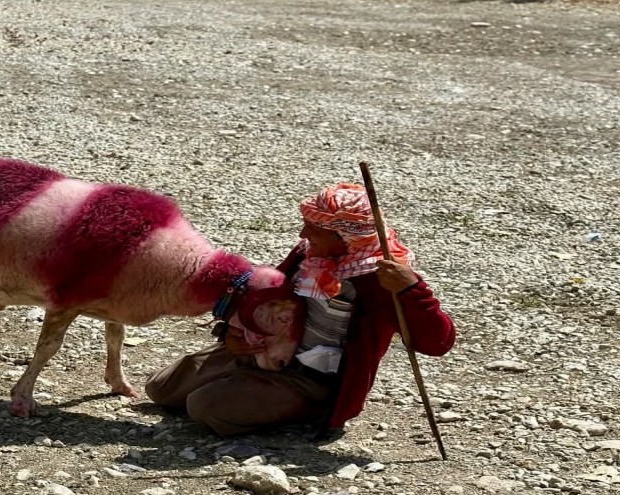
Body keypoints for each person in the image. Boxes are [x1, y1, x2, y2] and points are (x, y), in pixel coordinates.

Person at [145, 182, 457, 438]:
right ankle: (248, 381)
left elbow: (438, 343)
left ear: (344, 237)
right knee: (161, 389)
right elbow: (265, 295)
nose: (302, 235)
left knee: (204, 408)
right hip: (266, 348)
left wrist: (412, 290)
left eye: (312, 228)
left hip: (313, 377)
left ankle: (310, 408)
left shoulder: (382, 279)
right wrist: (233, 333)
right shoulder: (309, 256)